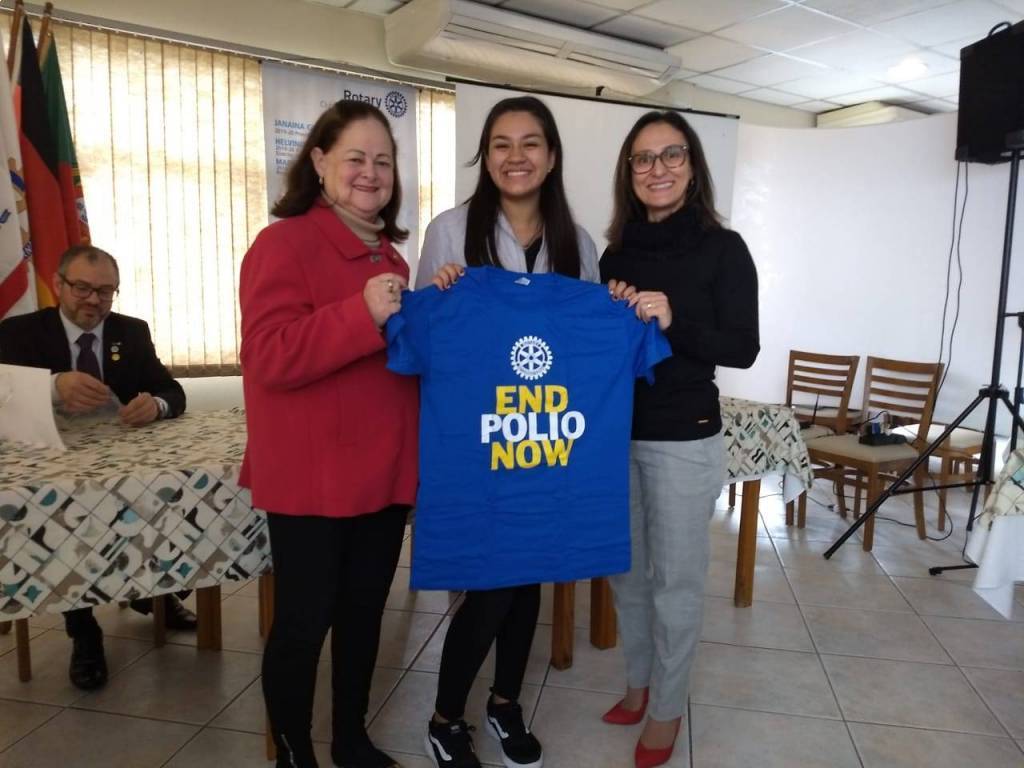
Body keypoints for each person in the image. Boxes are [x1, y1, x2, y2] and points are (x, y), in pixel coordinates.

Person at [417, 95, 599, 768]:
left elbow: (587, 344)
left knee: (530, 578)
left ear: (551, 158)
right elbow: (425, 337)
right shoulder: (449, 230)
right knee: (492, 582)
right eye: (501, 144)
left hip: (547, 439)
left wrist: (620, 306)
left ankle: (503, 702)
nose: (515, 156)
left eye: (530, 144)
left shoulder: (581, 243)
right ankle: (445, 717)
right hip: (479, 441)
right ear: (485, 156)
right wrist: (439, 295)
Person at [239, 100, 419, 768]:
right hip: (314, 482)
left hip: (384, 476)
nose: (371, 173)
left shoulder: (392, 257)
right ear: (318, 162)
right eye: (355, 158)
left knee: (365, 616)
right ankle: (294, 754)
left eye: (383, 161)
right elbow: (268, 356)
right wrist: (360, 313)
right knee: (303, 625)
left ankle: (351, 738)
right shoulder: (282, 244)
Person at [599, 111, 759, 768]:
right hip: (616, 435)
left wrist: (673, 318)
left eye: (671, 154)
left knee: (676, 582)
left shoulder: (725, 249)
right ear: (629, 172)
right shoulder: (615, 255)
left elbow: (743, 348)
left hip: (684, 437)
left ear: (692, 166)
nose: (657, 168)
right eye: (643, 158)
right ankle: (638, 684)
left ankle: (666, 708)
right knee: (627, 575)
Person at [0, 243, 191, 692]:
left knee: (162, 500)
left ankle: (156, 592)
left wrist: (156, 405)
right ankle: (84, 630)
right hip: (48, 461)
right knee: (70, 520)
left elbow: (172, 391)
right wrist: (52, 386)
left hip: (119, 463)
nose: (94, 301)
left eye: (105, 292)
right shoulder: (20, 331)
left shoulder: (132, 331)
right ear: (57, 284)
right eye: (82, 288)